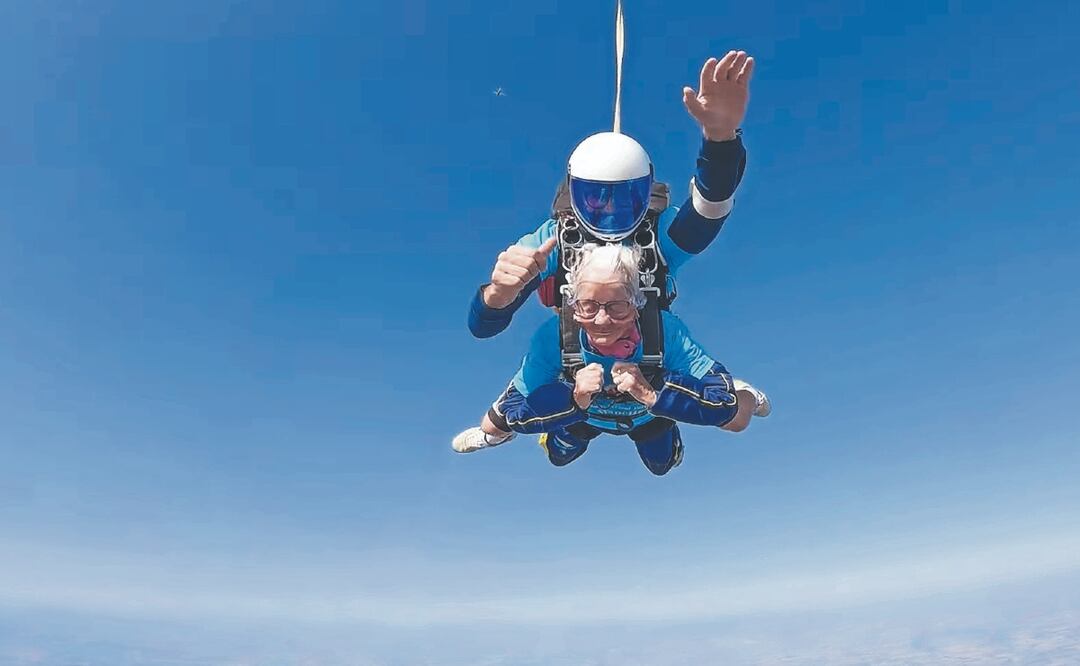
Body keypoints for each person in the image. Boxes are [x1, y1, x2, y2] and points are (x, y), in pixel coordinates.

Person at [453, 51, 768, 454]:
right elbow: (484, 327)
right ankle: (565, 426)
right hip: (582, 401)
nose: (610, 213)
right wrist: (498, 293)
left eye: (624, 198)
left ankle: (667, 420)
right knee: (560, 451)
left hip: (646, 397)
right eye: (595, 198)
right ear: (575, 195)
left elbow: (708, 210)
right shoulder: (557, 243)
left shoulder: (654, 242)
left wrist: (721, 140)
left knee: (659, 455)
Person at [475, 243, 767, 475]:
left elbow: (725, 406)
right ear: (573, 308)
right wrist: (572, 399)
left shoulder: (663, 330)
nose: (602, 320)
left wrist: (652, 394)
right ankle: (545, 416)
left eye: (618, 307)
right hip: (583, 416)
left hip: (647, 416)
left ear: (638, 306)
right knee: (547, 451)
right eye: (588, 306)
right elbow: (514, 412)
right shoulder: (554, 336)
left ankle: (743, 390)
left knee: (668, 460)